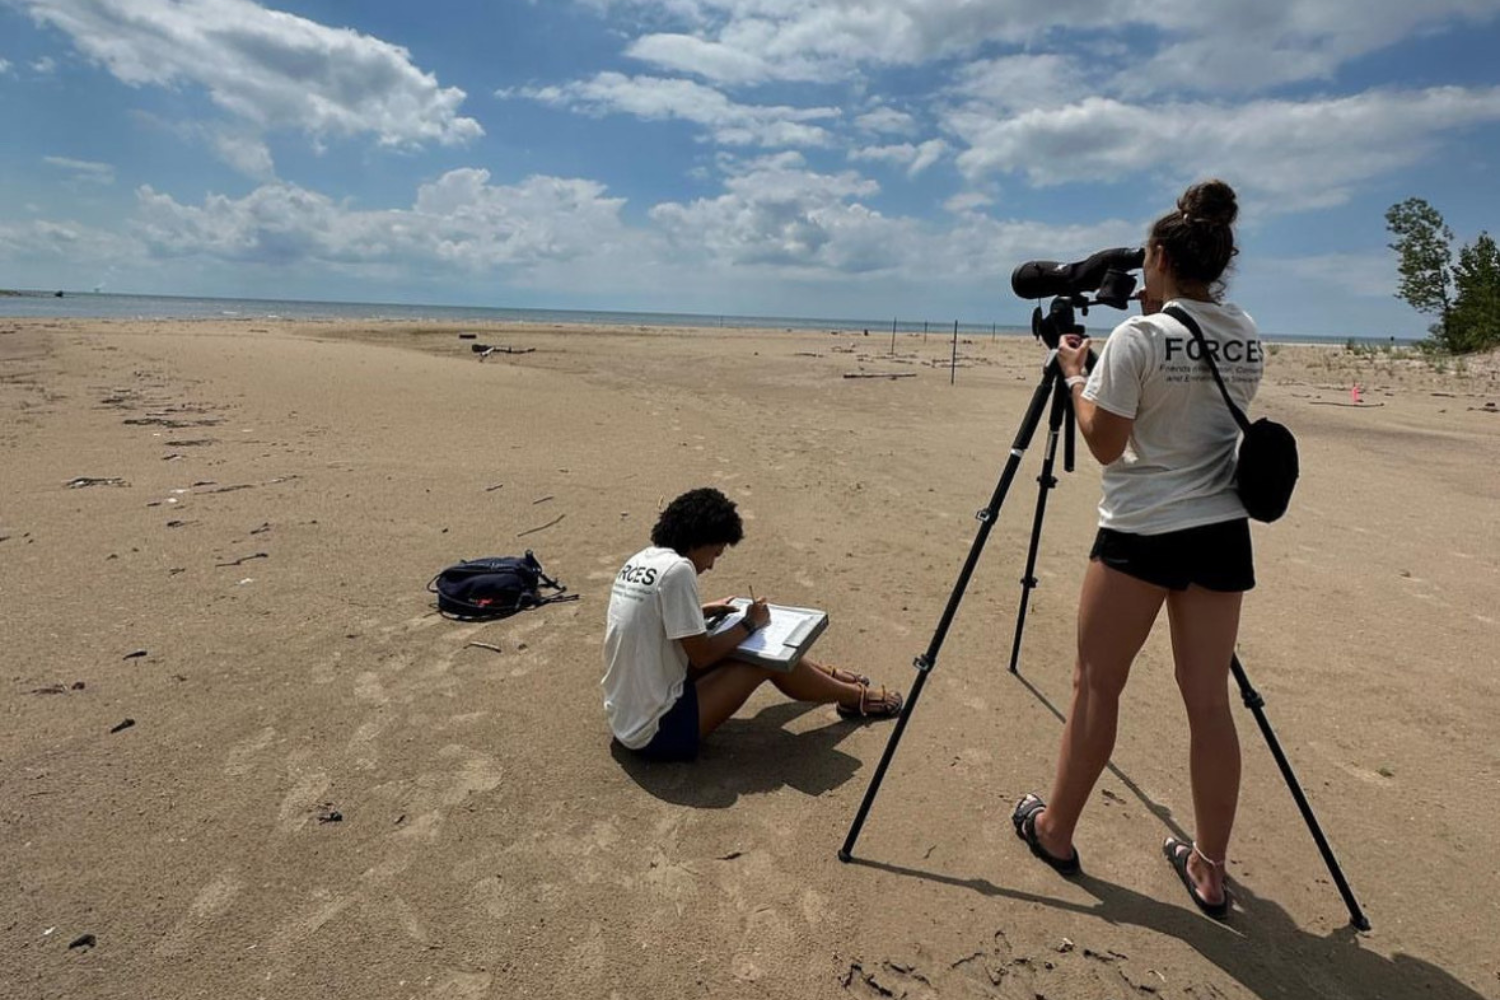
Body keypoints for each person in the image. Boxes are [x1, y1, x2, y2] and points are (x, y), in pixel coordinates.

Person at [1011, 180, 1262, 920]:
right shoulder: (1245, 328)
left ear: (1157, 255)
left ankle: (1056, 831)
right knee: (1210, 702)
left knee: (1096, 684)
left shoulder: (1139, 340)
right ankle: (1209, 869)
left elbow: (1104, 443)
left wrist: (1075, 374)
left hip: (1140, 532)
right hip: (1221, 532)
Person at [602, 487, 902, 762]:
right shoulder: (679, 571)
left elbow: (650, 619)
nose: (711, 565)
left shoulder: (642, 560)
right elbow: (702, 656)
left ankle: (831, 678)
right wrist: (749, 623)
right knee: (764, 659)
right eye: (714, 553)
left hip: (625, 717)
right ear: (698, 541)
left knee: (734, 641)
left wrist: (704, 611)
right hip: (656, 733)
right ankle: (855, 697)